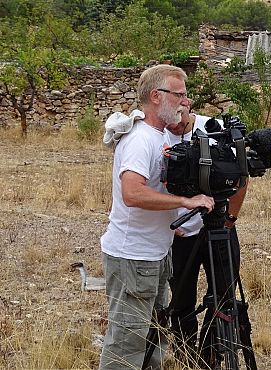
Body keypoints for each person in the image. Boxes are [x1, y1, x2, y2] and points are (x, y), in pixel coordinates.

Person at [99, 65, 216, 370]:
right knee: (127, 343)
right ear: (155, 96)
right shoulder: (141, 140)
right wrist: (184, 202)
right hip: (133, 257)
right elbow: (133, 193)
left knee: (153, 337)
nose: (184, 101)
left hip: (154, 255)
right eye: (179, 94)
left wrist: (170, 221)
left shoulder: (158, 135)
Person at [164, 107, 248, 366]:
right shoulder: (155, 134)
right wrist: (166, 221)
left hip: (220, 229)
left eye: (180, 121)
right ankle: (185, 357)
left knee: (223, 301)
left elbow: (241, 177)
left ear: (187, 103)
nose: (175, 127)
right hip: (179, 233)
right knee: (180, 301)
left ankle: (210, 356)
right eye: (171, 123)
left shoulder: (214, 129)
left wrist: (229, 219)